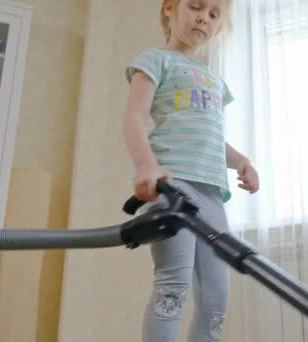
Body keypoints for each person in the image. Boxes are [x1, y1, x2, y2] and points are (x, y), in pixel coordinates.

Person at [123, 0, 259, 340]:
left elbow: (212, 137)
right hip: (174, 185)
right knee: (174, 285)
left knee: (216, 298)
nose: (204, 18)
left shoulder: (214, 80)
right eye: (196, 7)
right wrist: (146, 166)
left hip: (213, 194)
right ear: (170, 9)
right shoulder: (156, 60)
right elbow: (134, 116)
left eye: (214, 14)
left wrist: (241, 161)